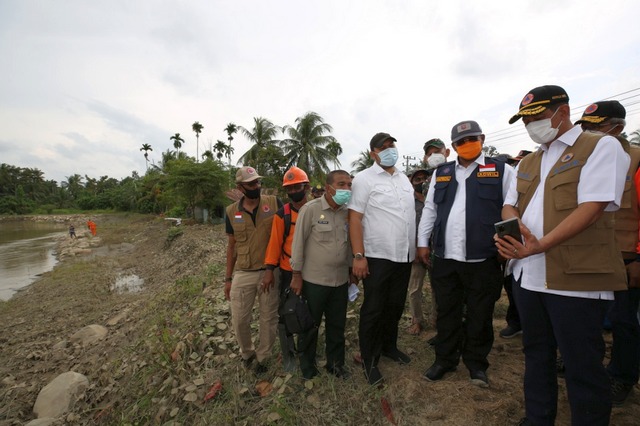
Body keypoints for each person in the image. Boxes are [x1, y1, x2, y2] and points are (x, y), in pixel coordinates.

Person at [496, 85, 629, 425]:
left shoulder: (600, 146)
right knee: (536, 356)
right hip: (528, 276)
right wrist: (514, 225)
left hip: (575, 280)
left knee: (582, 363)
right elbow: (510, 201)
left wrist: (542, 243)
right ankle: (537, 419)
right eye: (525, 120)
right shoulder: (529, 159)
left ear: (563, 111)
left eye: (537, 116)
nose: (531, 125)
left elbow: (594, 206)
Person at [417, 120, 513, 388]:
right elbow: (430, 211)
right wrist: (423, 242)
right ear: (453, 147)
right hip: (446, 258)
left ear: (482, 138)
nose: (466, 145)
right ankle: (444, 361)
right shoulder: (442, 172)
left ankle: (476, 365)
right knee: (447, 312)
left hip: (483, 258)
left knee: (480, 314)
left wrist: (507, 247)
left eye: (471, 139)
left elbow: (511, 209)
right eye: (460, 142)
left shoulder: (501, 170)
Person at [575, 100, 640, 406]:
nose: (588, 133)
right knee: (588, 315)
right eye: (585, 128)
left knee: (625, 322)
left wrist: (639, 257)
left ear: (618, 128)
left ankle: (621, 376)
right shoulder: (582, 159)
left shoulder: (636, 160)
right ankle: (589, 363)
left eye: (595, 127)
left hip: (627, 257)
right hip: (592, 252)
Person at [349, 132, 415, 385]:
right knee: (374, 309)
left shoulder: (404, 179)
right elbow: (354, 218)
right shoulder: (364, 179)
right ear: (372, 153)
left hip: (403, 255)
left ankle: (389, 346)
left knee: (395, 305)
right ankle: (369, 359)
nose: (390, 150)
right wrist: (358, 255)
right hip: (377, 256)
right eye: (383, 147)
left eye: (392, 146)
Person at [290, 170, 354, 379]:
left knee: (337, 325)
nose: (346, 189)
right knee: (310, 326)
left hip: (340, 281)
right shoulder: (311, 210)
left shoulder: (348, 212)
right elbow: (298, 243)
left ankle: (335, 364)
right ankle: (307, 367)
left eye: (349, 185)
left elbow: (351, 243)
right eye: (341, 184)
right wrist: (296, 274)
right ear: (328, 188)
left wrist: (352, 270)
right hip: (314, 281)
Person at [223, 166, 282, 374]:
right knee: (239, 318)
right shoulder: (231, 212)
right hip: (244, 272)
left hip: (270, 271)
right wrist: (228, 279)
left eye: (257, 182)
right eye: (251, 184)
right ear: (240, 187)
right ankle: (247, 353)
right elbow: (231, 247)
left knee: (268, 317)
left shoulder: (274, 203)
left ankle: (263, 357)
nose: (256, 186)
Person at [263, 166, 311, 372]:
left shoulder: (316, 210)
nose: (293, 192)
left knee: (310, 312)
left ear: (306, 187)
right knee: (287, 313)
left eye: (296, 187)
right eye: (289, 189)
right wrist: (268, 270)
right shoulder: (282, 214)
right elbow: (274, 244)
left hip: (314, 270)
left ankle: (307, 352)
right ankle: (289, 355)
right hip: (288, 270)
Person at [406, 168, 431, 335]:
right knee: (415, 288)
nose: (421, 181)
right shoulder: (408, 202)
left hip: (435, 250)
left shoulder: (434, 198)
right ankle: (417, 320)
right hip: (416, 251)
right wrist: (414, 249)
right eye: (417, 179)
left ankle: (437, 319)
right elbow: (408, 227)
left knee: (438, 288)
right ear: (411, 182)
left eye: (424, 178)